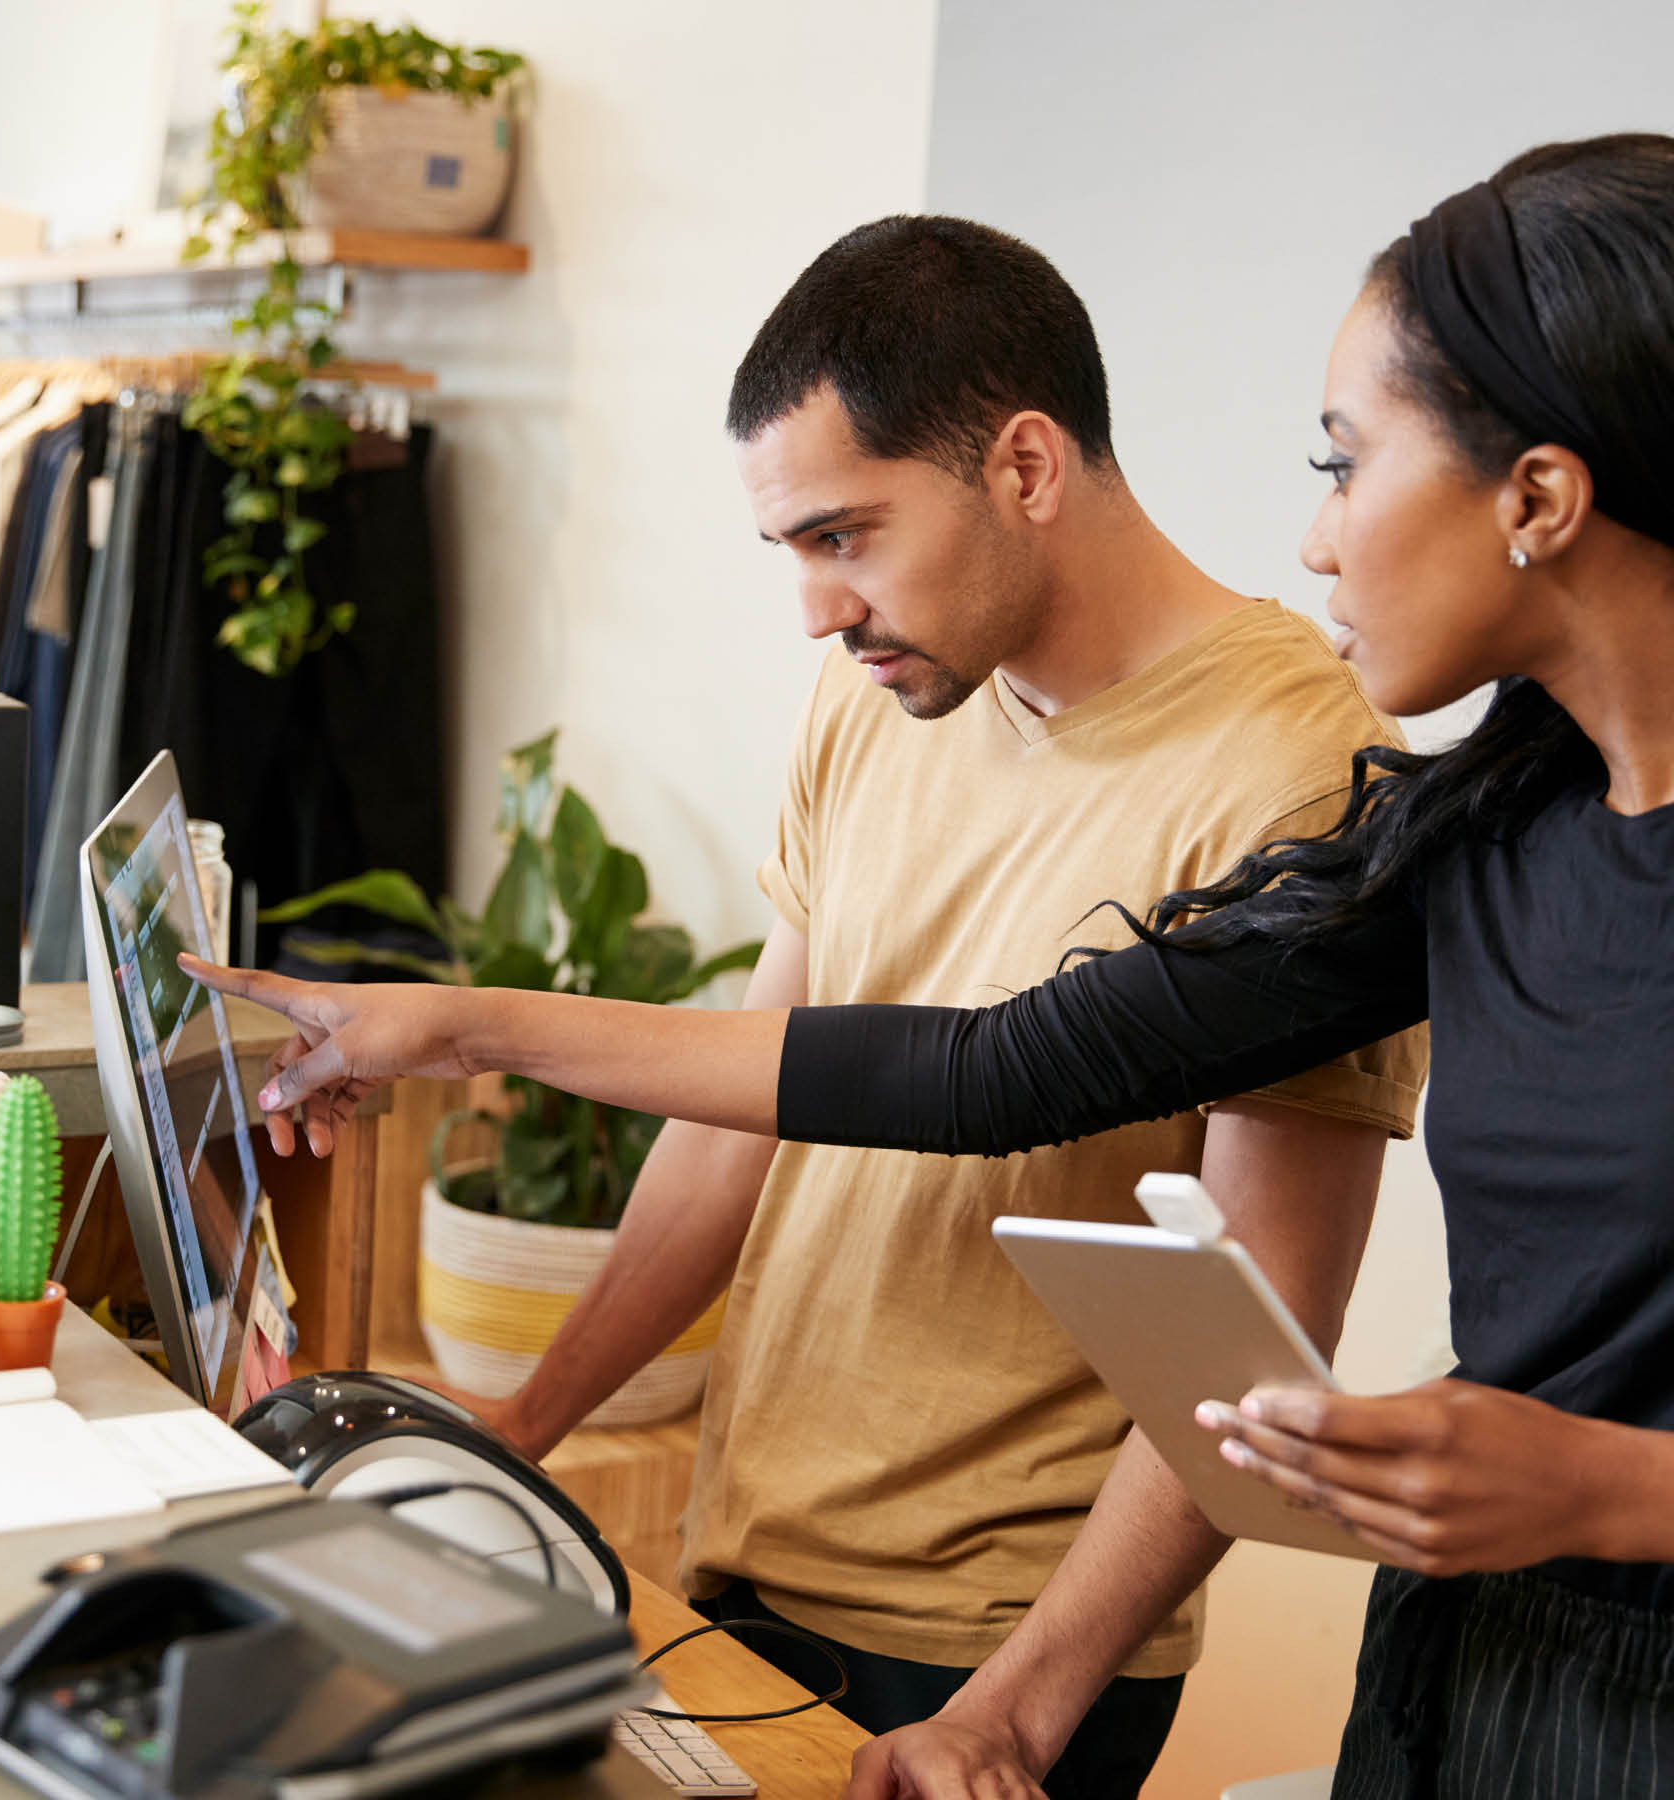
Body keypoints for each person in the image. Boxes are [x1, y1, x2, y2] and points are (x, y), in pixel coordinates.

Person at [191, 134, 1674, 1800]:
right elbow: (980, 1070)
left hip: (1054, 1620)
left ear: (1539, 497)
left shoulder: (1308, 765)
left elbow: (1252, 1302)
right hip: (1447, 1651)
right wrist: (472, 1102)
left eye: (1342, 464)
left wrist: (1612, 1493)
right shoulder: (1479, 835)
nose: (1321, 537)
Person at [459, 216, 1443, 1799]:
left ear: (1028, 470)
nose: (816, 609)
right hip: (753, 1559)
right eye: (790, 551)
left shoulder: (1295, 769)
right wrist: (528, 1421)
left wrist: (1020, 1705)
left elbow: (1266, 1322)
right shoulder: (884, 697)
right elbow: (739, 1127)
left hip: (994, 1643)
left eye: (844, 537)